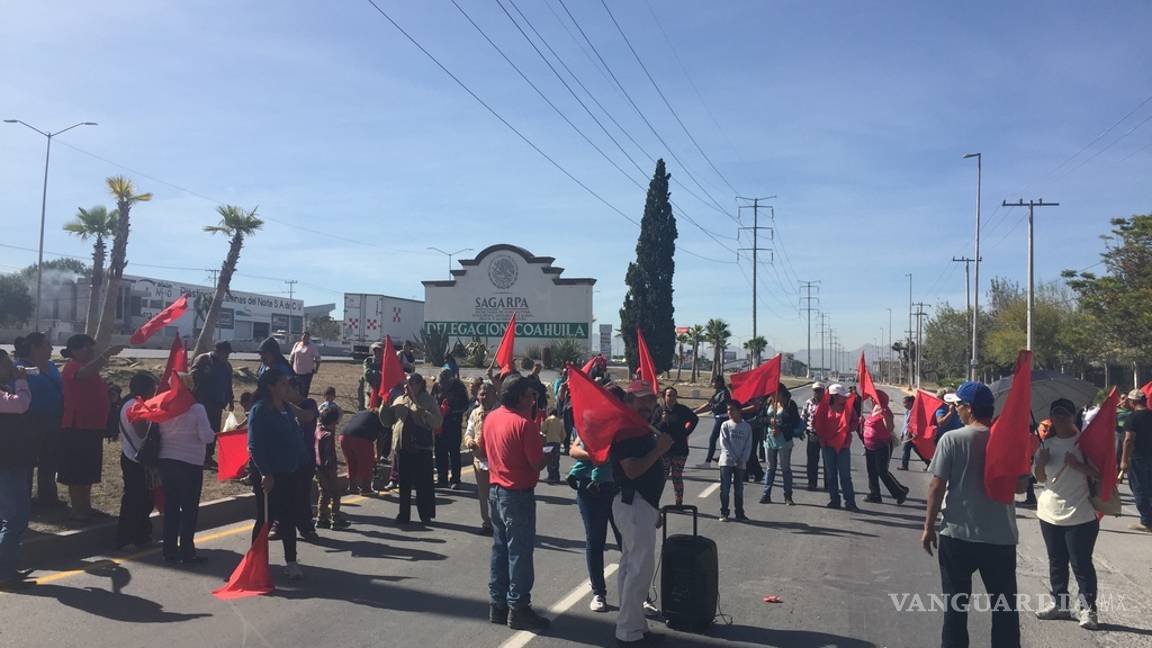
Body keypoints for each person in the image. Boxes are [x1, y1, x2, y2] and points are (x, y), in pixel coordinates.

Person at [921, 381, 1028, 648]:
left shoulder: (953, 439)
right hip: (1000, 537)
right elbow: (1020, 487)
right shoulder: (1008, 440)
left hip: (958, 535)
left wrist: (928, 526)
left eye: (957, 405)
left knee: (955, 608)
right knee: (1004, 609)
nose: (955, 409)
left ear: (969, 408)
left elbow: (937, 485)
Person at [480, 373, 551, 632]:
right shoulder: (524, 424)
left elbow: (484, 449)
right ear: (521, 396)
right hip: (517, 493)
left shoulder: (491, 418)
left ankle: (498, 604)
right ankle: (519, 607)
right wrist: (548, 451)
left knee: (500, 549)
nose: (534, 399)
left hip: (496, 490)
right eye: (531, 395)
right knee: (520, 552)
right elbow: (536, 463)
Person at [611, 380, 673, 646]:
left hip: (639, 504)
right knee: (639, 569)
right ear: (628, 400)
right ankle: (628, 629)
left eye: (650, 400)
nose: (646, 404)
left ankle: (634, 623)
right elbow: (633, 470)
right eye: (640, 399)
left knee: (631, 565)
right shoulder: (628, 431)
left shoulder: (639, 429)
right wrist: (659, 449)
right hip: (633, 503)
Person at [1032, 398, 1101, 629]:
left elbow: (1101, 475)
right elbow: (1040, 479)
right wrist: (1041, 463)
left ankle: (1088, 609)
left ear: (1073, 416)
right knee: (1056, 561)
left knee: (1081, 563)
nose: (1060, 418)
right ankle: (1060, 604)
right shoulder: (1045, 445)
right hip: (1049, 512)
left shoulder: (1085, 443)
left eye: (1064, 414)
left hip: (1080, 513)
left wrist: (1078, 465)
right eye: (1056, 414)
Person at [248, 368, 308, 580]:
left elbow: (296, 435)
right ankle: (256, 561)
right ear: (271, 387)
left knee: (288, 517)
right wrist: (265, 472)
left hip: (290, 471)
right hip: (269, 474)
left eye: (287, 384)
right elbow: (254, 445)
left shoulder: (287, 409)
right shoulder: (260, 410)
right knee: (266, 518)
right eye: (283, 384)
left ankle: (291, 561)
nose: (287, 388)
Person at [59, 334, 123, 521]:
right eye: (88, 348)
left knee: (88, 471)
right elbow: (84, 374)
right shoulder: (71, 367)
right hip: (77, 426)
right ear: (75, 350)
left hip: (92, 427)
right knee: (77, 472)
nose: (91, 352)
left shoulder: (90, 370)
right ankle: (78, 509)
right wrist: (106, 355)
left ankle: (85, 507)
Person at [156, 374, 216, 564]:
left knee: (171, 507)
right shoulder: (196, 408)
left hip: (167, 460)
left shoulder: (165, 405)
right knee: (189, 509)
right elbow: (206, 437)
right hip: (189, 462)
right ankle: (187, 550)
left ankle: (169, 549)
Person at [14, 333, 64, 507]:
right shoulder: (19, 368)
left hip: (53, 420)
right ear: (34, 348)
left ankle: (48, 498)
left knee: (50, 461)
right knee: (27, 463)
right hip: (29, 422)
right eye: (46, 345)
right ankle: (23, 500)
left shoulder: (51, 366)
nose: (51, 349)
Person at [0, 350, 34, 590]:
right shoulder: (7, 393)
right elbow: (21, 405)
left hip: (14, 460)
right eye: (7, 364)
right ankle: (4, 571)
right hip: (7, 463)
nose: (12, 368)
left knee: (12, 516)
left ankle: (8, 566)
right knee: (14, 518)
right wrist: (21, 380)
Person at [391, 373, 441, 525]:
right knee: (404, 483)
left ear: (419, 384)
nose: (407, 386)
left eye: (411, 383)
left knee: (423, 483)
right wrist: (384, 406)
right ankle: (403, 514)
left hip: (421, 447)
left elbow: (437, 421)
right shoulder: (400, 399)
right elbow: (388, 421)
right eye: (405, 384)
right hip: (402, 446)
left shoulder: (428, 400)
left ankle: (425, 515)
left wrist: (423, 413)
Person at [115, 372, 158, 551]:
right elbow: (141, 432)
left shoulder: (128, 403)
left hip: (134, 455)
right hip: (135, 457)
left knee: (146, 499)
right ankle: (125, 539)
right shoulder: (135, 406)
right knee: (134, 499)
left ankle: (142, 535)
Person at [813, 384, 859, 512]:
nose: (844, 398)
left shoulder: (848, 409)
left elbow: (855, 423)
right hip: (828, 446)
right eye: (841, 396)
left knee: (845, 475)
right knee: (831, 474)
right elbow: (817, 423)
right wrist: (821, 439)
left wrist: (849, 428)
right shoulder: (824, 408)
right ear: (834, 396)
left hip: (843, 446)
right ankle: (834, 500)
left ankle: (850, 502)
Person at [283, 380, 320, 542]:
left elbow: (307, 417)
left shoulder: (309, 403)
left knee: (302, 494)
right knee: (284, 495)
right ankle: (281, 525)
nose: (285, 394)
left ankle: (306, 527)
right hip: (287, 458)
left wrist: (285, 404)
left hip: (305, 458)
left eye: (288, 391)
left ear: (296, 388)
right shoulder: (280, 407)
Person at [191, 340, 234, 469]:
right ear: (218, 351)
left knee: (214, 430)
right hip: (202, 402)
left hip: (217, 403)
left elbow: (228, 385)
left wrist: (231, 400)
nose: (227, 356)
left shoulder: (227, 366)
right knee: (201, 429)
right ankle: (198, 455)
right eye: (226, 353)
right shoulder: (204, 360)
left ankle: (208, 456)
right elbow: (192, 377)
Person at [654, 387, 698, 507]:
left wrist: (686, 432)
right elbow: (653, 427)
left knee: (677, 476)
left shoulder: (682, 410)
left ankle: (679, 502)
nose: (671, 398)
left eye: (674, 395)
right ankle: (655, 502)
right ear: (664, 397)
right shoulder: (659, 411)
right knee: (662, 476)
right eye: (669, 395)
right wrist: (662, 421)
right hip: (664, 450)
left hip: (680, 449)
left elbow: (694, 419)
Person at [463, 381, 497, 535]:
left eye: (488, 394)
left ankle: (499, 522)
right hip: (480, 460)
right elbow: (469, 432)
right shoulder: (475, 413)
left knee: (497, 495)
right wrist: (469, 441)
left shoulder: (500, 412)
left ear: (495, 395)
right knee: (483, 494)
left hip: (497, 461)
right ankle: (487, 523)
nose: (485, 397)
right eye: (482, 394)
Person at [863, 398, 908, 505]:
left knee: (882, 471)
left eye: (873, 398)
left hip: (881, 446)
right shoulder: (874, 409)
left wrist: (885, 416)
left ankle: (899, 493)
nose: (871, 400)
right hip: (870, 446)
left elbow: (890, 428)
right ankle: (875, 494)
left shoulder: (885, 411)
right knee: (872, 471)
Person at [761, 386, 801, 505]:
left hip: (784, 440)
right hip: (769, 440)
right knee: (770, 468)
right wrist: (769, 421)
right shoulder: (768, 402)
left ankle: (788, 496)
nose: (772, 395)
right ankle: (766, 494)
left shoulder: (790, 404)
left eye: (774, 393)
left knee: (785, 468)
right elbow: (761, 418)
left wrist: (781, 429)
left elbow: (794, 422)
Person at [1120, 388, 1152, 532]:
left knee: (1139, 489)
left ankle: (1146, 521)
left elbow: (1128, 440)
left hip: (1137, 458)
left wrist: (1123, 460)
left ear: (1133, 402)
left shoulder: (1132, 418)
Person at [433, 369, 469, 489]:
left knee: (454, 452)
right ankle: (442, 478)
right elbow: (433, 400)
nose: (442, 385)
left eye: (444, 383)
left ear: (450, 380)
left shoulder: (459, 387)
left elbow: (465, 405)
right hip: (439, 423)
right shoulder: (436, 386)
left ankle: (455, 479)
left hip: (453, 423)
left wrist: (451, 411)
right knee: (439, 452)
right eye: (440, 383)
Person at [716, 400, 752, 522]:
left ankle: (739, 512)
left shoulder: (746, 427)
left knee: (739, 489)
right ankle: (724, 512)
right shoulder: (725, 425)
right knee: (725, 489)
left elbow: (748, 445)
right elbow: (724, 443)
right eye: (728, 409)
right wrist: (733, 457)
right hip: (727, 462)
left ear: (739, 411)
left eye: (732, 409)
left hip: (741, 463)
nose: (729, 412)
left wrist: (742, 458)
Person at [314, 406, 349, 530]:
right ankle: (335, 518)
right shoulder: (328, 435)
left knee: (324, 492)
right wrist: (331, 469)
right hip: (328, 469)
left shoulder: (318, 430)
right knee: (335, 493)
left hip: (318, 468)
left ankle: (321, 517)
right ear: (334, 421)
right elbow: (328, 454)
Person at [339, 407, 383, 496]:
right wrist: (378, 456)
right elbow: (380, 440)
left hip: (344, 436)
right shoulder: (379, 419)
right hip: (361, 439)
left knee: (351, 462)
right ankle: (366, 489)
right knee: (366, 463)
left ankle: (352, 487)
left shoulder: (361, 413)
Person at [694, 374, 731, 466]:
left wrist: (711, 407)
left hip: (723, 418)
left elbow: (719, 406)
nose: (712, 384)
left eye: (714, 382)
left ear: (719, 382)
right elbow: (708, 404)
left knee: (713, 439)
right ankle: (723, 458)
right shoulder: (718, 392)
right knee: (724, 440)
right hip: (718, 417)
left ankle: (708, 462)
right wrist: (695, 412)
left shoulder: (724, 393)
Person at [803, 383, 826, 491]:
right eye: (815, 391)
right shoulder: (808, 403)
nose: (817, 393)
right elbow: (803, 417)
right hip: (812, 435)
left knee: (827, 461)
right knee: (812, 461)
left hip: (826, 436)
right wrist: (801, 430)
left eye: (820, 391)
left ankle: (828, 483)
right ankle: (812, 483)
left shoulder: (828, 403)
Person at [899, 394, 930, 471]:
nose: (904, 405)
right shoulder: (907, 411)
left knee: (906, 448)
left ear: (911, 402)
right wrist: (902, 433)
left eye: (905, 403)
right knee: (917, 450)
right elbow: (905, 424)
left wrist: (913, 433)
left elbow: (916, 424)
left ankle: (904, 465)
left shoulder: (915, 412)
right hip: (907, 433)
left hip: (912, 434)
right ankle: (929, 464)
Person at [289, 332, 322, 397]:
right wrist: (290, 367)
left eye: (306, 336)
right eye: (303, 336)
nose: (305, 338)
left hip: (307, 372)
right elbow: (291, 357)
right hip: (296, 371)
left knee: (304, 389)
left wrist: (316, 369)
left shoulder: (312, 347)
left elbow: (318, 358)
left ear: (308, 338)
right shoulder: (297, 344)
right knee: (296, 388)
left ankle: (304, 403)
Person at [541, 408, 566, 484]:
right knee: (556, 460)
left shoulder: (548, 420)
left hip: (549, 442)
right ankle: (556, 476)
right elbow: (564, 434)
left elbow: (543, 430)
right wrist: (561, 440)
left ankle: (551, 476)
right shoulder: (560, 421)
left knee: (549, 460)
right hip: (557, 443)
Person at [1115, 393, 1132, 477]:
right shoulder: (1117, 410)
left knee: (1127, 453)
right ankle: (1118, 475)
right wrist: (1119, 404)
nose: (1125, 400)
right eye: (1122, 398)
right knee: (1118, 453)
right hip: (1118, 432)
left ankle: (1128, 472)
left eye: (1126, 398)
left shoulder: (1131, 410)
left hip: (1128, 433)